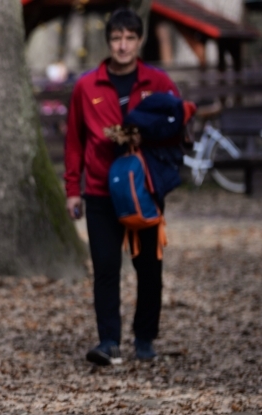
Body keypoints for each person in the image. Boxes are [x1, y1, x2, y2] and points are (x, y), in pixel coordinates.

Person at [64, 8, 179, 365]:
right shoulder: (87, 85)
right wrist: (72, 189)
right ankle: (108, 341)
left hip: (144, 189)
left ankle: (144, 339)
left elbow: (177, 125)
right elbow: (74, 140)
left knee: (148, 267)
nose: (123, 45)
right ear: (108, 41)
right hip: (100, 190)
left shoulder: (158, 82)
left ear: (140, 40)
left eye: (130, 38)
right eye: (117, 38)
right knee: (106, 266)